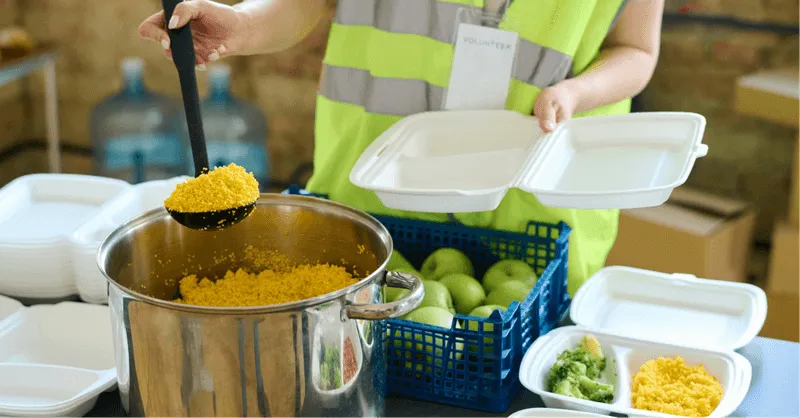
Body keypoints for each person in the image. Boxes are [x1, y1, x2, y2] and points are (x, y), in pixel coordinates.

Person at [139, 0, 665, 295]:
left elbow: (636, 50)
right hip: (367, 208)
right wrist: (243, 25)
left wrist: (577, 92)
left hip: (532, 224)